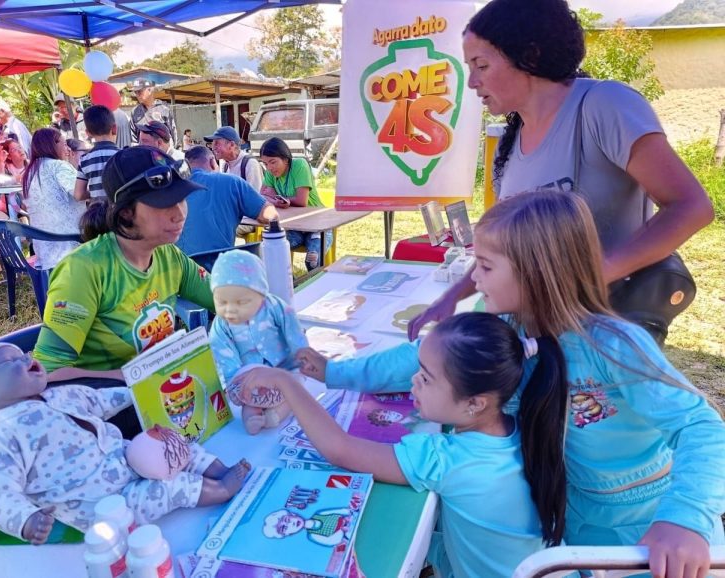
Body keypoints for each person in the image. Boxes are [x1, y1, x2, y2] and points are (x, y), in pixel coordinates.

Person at [301, 190, 725, 578]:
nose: (475, 279)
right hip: (571, 522)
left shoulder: (613, 346)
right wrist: (334, 372)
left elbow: (701, 427)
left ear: (538, 273)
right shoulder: (505, 322)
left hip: (650, 538)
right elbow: (424, 353)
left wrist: (683, 518)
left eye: (484, 266)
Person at [410, 0, 714, 345]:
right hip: (537, 335)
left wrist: (598, 274)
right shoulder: (510, 142)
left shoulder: (603, 105)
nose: (472, 82)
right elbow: (502, 245)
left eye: (481, 65)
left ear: (530, 56)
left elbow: (691, 207)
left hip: (600, 334)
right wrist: (454, 296)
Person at [235, 311, 569, 578]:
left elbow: (339, 448)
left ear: (475, 403)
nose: (413, 381)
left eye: (425, 377)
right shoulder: (523, 428)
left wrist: (286, 384)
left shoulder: (448, 461)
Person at [0, 342, 252, 544]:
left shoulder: (57, 395)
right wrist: (26, 521)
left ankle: (219, 469)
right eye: (11, 362)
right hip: (101, 504)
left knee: (173, 444)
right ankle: (222, 488)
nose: (26, 358)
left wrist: (138, 391)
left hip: (125, 457)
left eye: (24, 353)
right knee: (166, 490)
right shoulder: (2, 439)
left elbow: (100, 400)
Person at [32, 146, 214, 387]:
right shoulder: (83, 270)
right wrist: (134, 377)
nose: (179, 214)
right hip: (106, 409)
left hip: (167, 392)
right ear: (126, 214)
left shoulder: (169, 256)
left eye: (181, 199)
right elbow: (48, 371)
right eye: (164, 203)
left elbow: (222, 298)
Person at [210, 250, 308, 435]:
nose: (230, 310)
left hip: (284, 370)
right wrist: (235, 383)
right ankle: (252, 418)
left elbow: (294, 333)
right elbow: (223, 355)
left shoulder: (275, 308)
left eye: (242, 302)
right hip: (251, 379)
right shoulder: (221, 325)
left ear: (261, 294)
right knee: (249, 400)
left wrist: (302, 357)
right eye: (222, 302)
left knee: (295, 393)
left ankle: (275, 417)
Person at [176, 145, 277, 255]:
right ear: (212, 162)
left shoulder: (169, 187)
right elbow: (270, 215)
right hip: (216, 266)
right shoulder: (232, 183)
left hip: (174, 268)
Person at [259, 137, 331, 272]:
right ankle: (291, 284)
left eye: (273, 162)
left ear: (285, 159)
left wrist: (278, 200)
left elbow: (301, 201)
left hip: (316, 224)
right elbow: (262, 193)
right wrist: (278, 201)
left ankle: (316, 288)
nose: (269, 168)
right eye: (265, 164)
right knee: (274, 250)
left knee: (313, 260)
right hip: (293, 226)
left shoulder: (299, 165)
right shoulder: (271, 173)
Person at [22, 128, 85, 270]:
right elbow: (78, 193)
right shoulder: (57, 166)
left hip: (43, 248)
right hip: (68, 244)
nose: (67, 148)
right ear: (52, 145)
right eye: (63, 144)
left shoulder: (30, 172)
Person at [74, 105, 120, 201]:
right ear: (114, 128)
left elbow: (78, 195)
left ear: (88, 133)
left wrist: (94, 193)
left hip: (97, 212)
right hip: (120, 211)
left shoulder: (84, 159)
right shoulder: (123, 155)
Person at [206, 125, 263, 193]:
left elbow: (256, 198)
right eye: (212, 143)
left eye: (217, 143)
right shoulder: (225, 166)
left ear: (231, 145)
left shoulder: (250, 164)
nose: (213, 148)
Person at [129, 77, 176, 147]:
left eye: (140, 91)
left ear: (150, 90)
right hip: (144, 154)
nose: (137, 95)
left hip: (162, 153)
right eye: (136, 92)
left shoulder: (163, 109)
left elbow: (173, 134)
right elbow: (133, 139)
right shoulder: (135, 112)